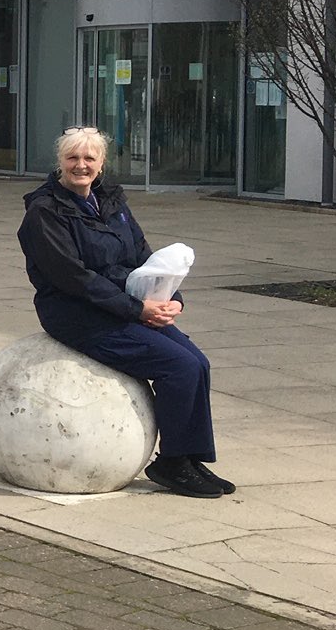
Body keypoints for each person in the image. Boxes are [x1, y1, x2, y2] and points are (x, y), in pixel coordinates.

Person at [18, 127, 232, 498]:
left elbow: (144, 257)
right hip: (78, 313)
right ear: (60, 163)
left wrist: (171, 296)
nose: (80, 166)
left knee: (196, 362)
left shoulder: (112, 202)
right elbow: (75, 279)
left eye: (89, 159)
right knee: (176, 366)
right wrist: (138, 311)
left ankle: (185, 458)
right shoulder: (45, 212)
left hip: (129, 306)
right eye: (72, 158)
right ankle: (173, 464)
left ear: (101, 165)